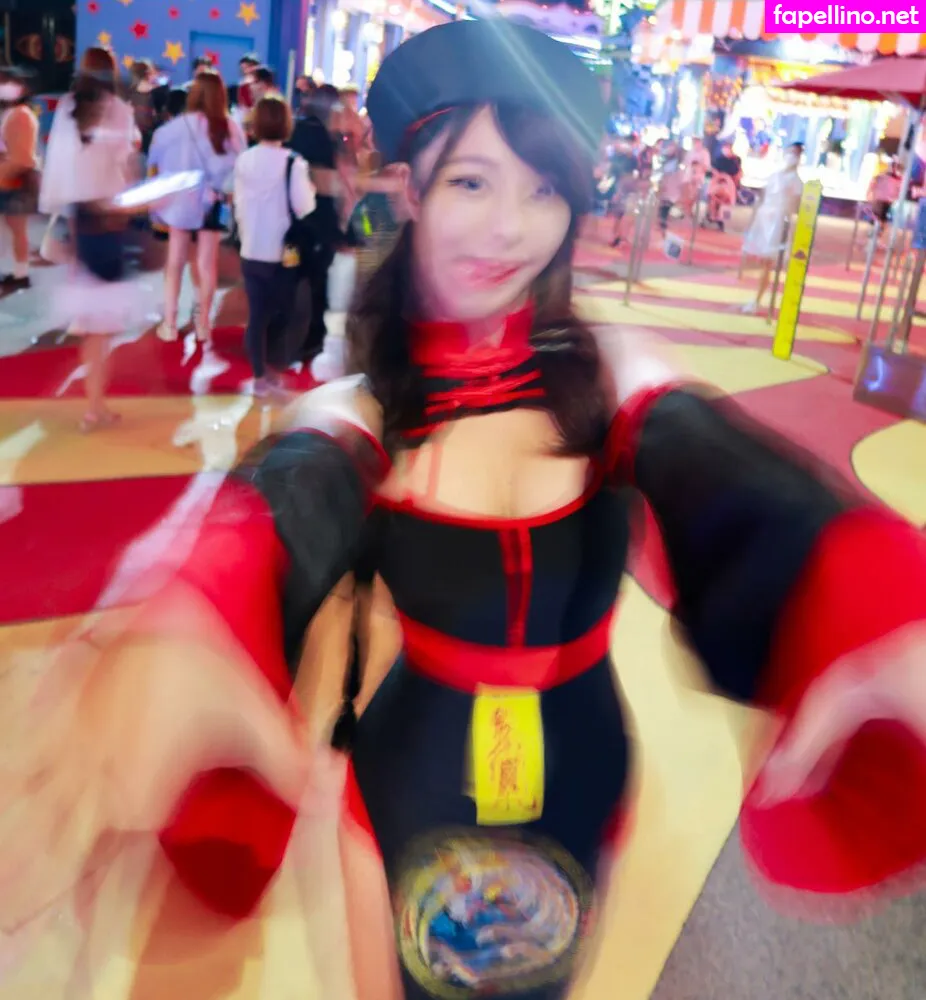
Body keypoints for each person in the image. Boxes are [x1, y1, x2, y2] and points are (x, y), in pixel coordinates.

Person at [5, 21, 926, 1000]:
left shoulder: (611, 382)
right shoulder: (362, 411)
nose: (507, 230)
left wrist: (869, 604)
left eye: (542, 191)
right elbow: (281, 510)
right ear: (412, 189)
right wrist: (190, 622)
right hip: (410, 777)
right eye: (473, 182)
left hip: (583, 778)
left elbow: (733, 485)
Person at [39, 46, 146, 432]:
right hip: (109, 221)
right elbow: (127, 166)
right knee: (104, 326)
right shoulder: (117, 109)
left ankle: (95, 405)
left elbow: (57, 167)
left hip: (80, 221)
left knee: (93, 326)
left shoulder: (68, 108)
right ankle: (95, 407)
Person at [148, 69, 246, 345]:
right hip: (213, 201)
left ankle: (169, 323)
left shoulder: (173, 128)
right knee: (206, 264)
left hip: (180, 201)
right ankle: (203, 325)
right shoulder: (230, 127)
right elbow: (240, 166)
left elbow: (154, 161)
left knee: (175, 261)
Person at [234, 94, 315, 396]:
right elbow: (304, 207)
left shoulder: (244, 159)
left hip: (251, 248)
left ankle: (259, 376)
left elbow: (238, 201)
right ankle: (276, 369)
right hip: (283, 253)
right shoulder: (293, 163)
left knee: (257, 316)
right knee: (286, 312)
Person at [740, 142, 804, 314]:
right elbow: (762, 197)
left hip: (778, 223)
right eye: (790, 152)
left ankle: (757, 301)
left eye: (795, 154)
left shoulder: (796, 181)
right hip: (764, 220)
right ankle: (755, 297)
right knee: (759, 260)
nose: (791, 156)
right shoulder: (775, 175)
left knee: (768, 263)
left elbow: (794, 207)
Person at [0, 66, 39, 291]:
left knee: (17, 229)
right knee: (14, 229)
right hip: (9, 180)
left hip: (15, 182)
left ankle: (21, 274)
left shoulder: (21, 116)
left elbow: (22, 158)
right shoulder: (12, 113)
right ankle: (20, 273)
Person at [705, 137, 741, 230]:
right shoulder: (719, 159)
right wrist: (716, 175)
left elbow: (737, 172)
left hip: (729, 184)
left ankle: (724, 221)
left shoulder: (736, 160)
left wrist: (733, 181)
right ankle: (711, 216)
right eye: (725, 147)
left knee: (727, 203)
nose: (725, 149)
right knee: (713, 199)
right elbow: (712, 170)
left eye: (727, 147)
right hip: (717, 182)